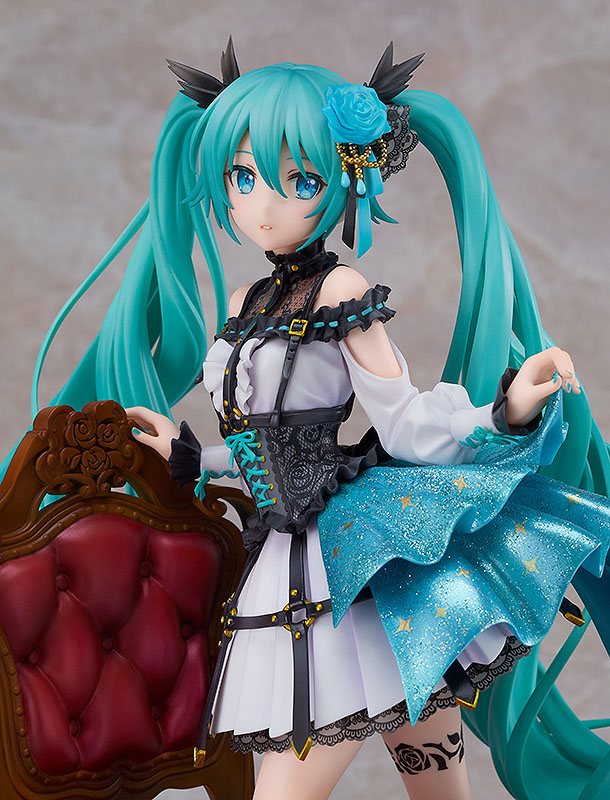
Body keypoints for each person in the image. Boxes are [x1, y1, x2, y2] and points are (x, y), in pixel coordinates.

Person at [2, 39, 609, 800]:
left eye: (300, 181)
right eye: (244, 177)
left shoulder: (340, 291)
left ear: (344, 181)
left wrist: (504, 409)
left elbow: (405, 423)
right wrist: (192, 454)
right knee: (434, 772)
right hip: (285, 553)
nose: (264, 204)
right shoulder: (244, 304)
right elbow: (258, 445)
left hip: (341, 561)